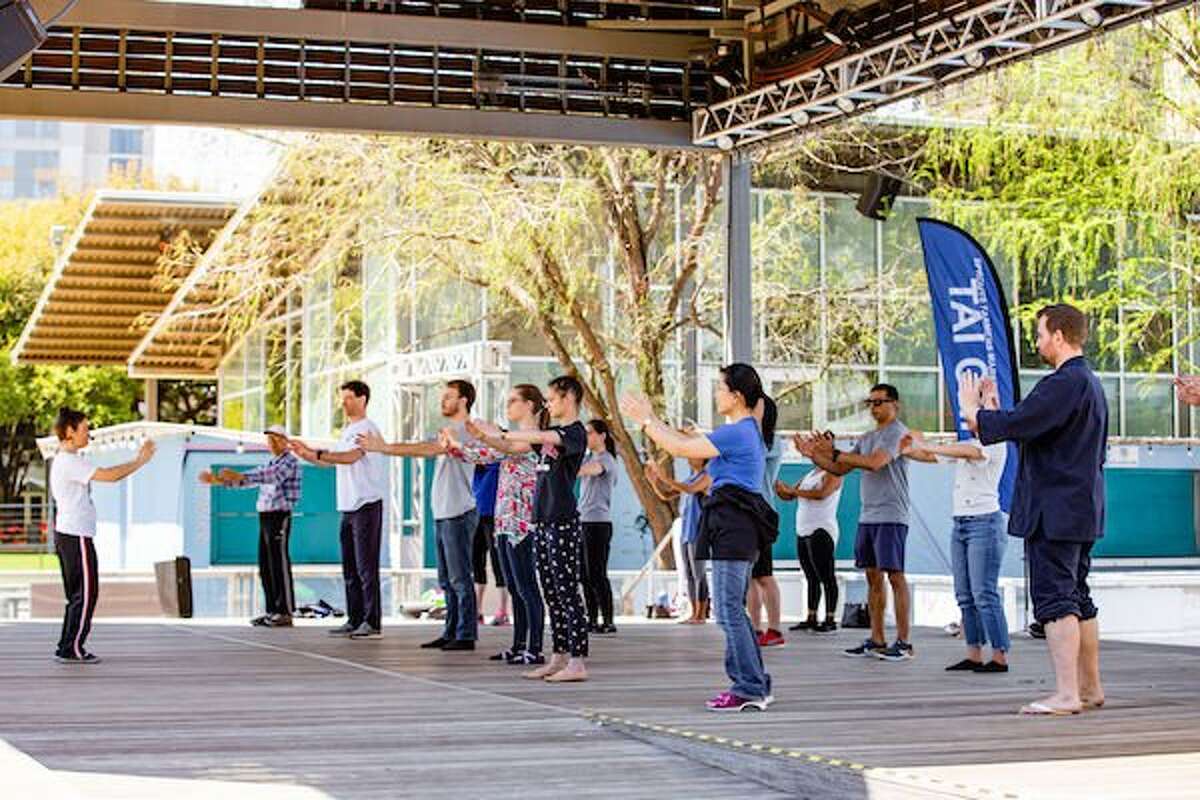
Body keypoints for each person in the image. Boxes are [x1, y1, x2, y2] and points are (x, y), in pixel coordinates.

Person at [962, 303, 1107, 715]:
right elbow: (1029, 423)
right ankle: (1089, 687)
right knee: (1078, 595)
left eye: (1041, 334)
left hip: (1056, 509)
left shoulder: (1063, 383)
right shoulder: (1090, 383)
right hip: (1081, 506)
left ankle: (1066, 694)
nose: (1038, 342)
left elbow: (1017, 424)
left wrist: (974, 410)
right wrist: (994, 410)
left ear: (1059, 335)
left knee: (1057, 599)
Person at [621, 363, 777, 712]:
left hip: (735, 525)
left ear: (737, 396)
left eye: (720, 389)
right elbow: (694, 461)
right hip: (730, 524)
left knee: (726, 611)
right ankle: (755, 682)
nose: (716, 395)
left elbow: (679, 447)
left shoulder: (739, 431)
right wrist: (665, 476)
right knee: (732, 609)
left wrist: (648, 420)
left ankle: (749, 687)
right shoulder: (739, 433)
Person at [356, 380, 480, 651]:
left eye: (448, 397)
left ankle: (466, 634)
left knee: (460, 577)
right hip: (444, 512)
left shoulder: (469, 430)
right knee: (447, 580)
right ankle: (451, 631)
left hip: (459, 512)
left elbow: (426, 449)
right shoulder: (448, 431)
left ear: (463, 401)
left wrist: (384, 447)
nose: (442, 401)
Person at [796, 383, 914, 662]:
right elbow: (840, 468)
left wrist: (834, 452)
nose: (873, 407)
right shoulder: (868, 436)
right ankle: (876, 638)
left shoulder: (898, 433)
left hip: (891, 515)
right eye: (869, 403)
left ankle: (904, 642)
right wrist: (814, 454)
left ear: (894, 404)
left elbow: (875, 463)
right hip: (869, 516)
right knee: (872, 576)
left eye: (879, 402)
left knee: (895, 576)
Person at [443, 384, 547, 666]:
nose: (508, 405)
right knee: (514, 585)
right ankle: (518, 644)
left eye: (514, 400)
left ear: (530, 405)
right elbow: (488, 454)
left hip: (523, 521)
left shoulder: (534, 436)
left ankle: (534, 647)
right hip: (504, 518)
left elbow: (505, 447)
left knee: (526, 585)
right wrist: (458, 447)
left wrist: (483, 437)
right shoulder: (511, 438)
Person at [498, 375, 591, 683]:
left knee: (567, 591)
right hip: (542, 519)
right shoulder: (549, 437)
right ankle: (559, 656)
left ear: (569, 398)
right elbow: (523, 443)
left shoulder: (575, 432)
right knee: (551, 591)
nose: (548, 404)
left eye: (552, 398)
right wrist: (488, 435)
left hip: (563, 520)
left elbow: (547, 438)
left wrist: (504, 432)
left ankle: (577, 661)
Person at [49, 408, 156, 664]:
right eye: (85, 429)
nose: (89, 434)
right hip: (76, 535)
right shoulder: (69, 461)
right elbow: (110, 476)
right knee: (85, 594)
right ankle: (72, 648)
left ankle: (67, 645)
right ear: (69, 432)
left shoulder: (65, 459)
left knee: (77, 594)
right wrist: (140, 460)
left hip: (70, 533)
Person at [900, 429, 1011, 672]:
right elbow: (933, 457)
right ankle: (974, 653)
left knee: (984, 592)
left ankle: (999, 655)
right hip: (961, 522)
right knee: (964, 593)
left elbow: (969, 453)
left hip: (985, 522)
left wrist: (926, 444)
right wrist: (911, 450)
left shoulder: (995, 442)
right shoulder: (964, 444)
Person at [290, 381, 388, 639]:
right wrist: (306, 453)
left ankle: (371, 621)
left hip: (365, 504)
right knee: (351, 568)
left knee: (366, 567)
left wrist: (319, 453)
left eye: (348, 398)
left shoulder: (367, 429)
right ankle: (355, 618)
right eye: (342, 398)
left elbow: (349, 457)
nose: (343, 403)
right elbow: (332, 462)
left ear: (363, 399)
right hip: (348, 508)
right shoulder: (347, 430)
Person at [202, 424, 302, 629]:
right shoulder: (271, 461)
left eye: (275, 439)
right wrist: (220, 481)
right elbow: (252, 479)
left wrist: (238, 475)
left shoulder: (289, 461)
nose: (271, 443)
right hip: (266, 516)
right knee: (265, 565)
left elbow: (271, 476)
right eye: (269, 440)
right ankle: (272, 611)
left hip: (279, 515)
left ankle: (284, 611)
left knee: (278, 563)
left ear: (285, 441)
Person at [775, 454, 843, 635]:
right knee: (810, 576)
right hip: (803, 528)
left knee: (827, 576)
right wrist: (780, 489)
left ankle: (830, 619)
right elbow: (789, 495)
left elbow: (821, 494)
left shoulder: (834, 473)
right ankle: (811, 617)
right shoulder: (810, 474)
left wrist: (794, 492)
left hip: (822, 529)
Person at [645, 444, 712, 625]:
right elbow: (666, 496)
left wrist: (664, 477)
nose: (690, 457)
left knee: (699, 573)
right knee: (689, 573)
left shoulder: (706, 477)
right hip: (686, 531)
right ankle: (694, 612)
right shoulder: (691, 478)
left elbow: (689, 489)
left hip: (698, 531)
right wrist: (654, 482)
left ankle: (702, 613)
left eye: (694, 454)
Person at [748, 396, 785, 648]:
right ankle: (754, 628)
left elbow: (754, 457)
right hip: (745, 512)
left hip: (762, 511)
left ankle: (774, 628)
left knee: (764, 574)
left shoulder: (771, 443)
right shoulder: (750, 438)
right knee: (750, 575)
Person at [579, 419, 619, 635]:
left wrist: (574, 467)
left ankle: (608, 619)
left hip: (598, 523)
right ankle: (592, 618)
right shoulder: (587, 457)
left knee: (597, 573)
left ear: (602, 436)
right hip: (583, 521)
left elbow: (594, 470)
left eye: (590, 433)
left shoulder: (607, 459)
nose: (587, 437)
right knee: (583, 575)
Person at [471, 461, 510, 626]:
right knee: (476, 562)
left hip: (495, 516)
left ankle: (503, 611)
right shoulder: (477, 464)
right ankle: (477, 610)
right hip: (476, 514)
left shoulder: (499, 462)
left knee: (498, 563)